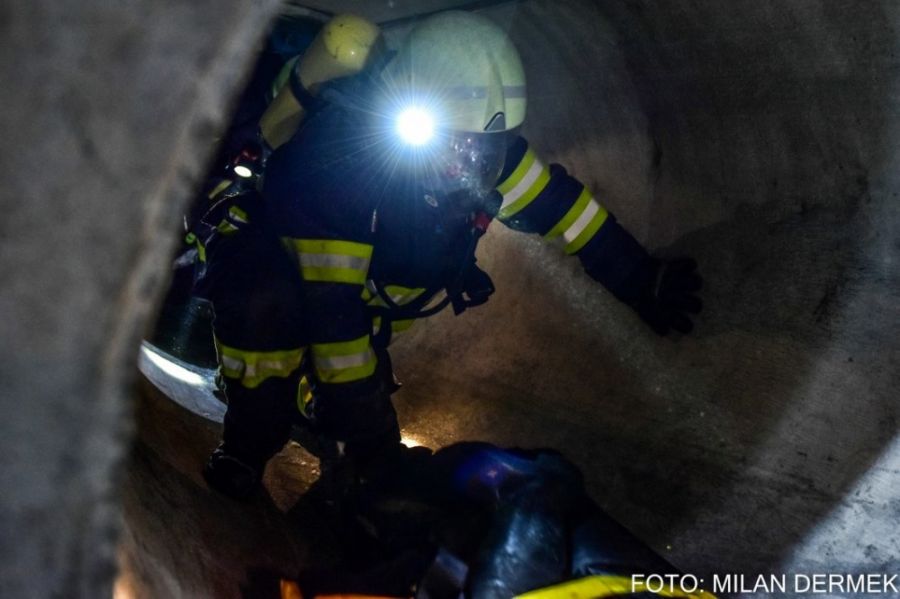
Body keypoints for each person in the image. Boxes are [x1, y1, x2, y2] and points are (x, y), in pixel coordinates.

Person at [195, 11, 702, 500]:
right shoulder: (343, 164)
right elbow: (334, 323)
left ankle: (315, 400)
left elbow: (566, 213)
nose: (469, 165)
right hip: (282, 273)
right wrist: (377, 450)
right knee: (265, 315)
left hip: (363, 304)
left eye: (486, 148)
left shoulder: (490, 158)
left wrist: (642, 278)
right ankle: (246, 444)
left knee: (345, 391)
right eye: (456, 145)